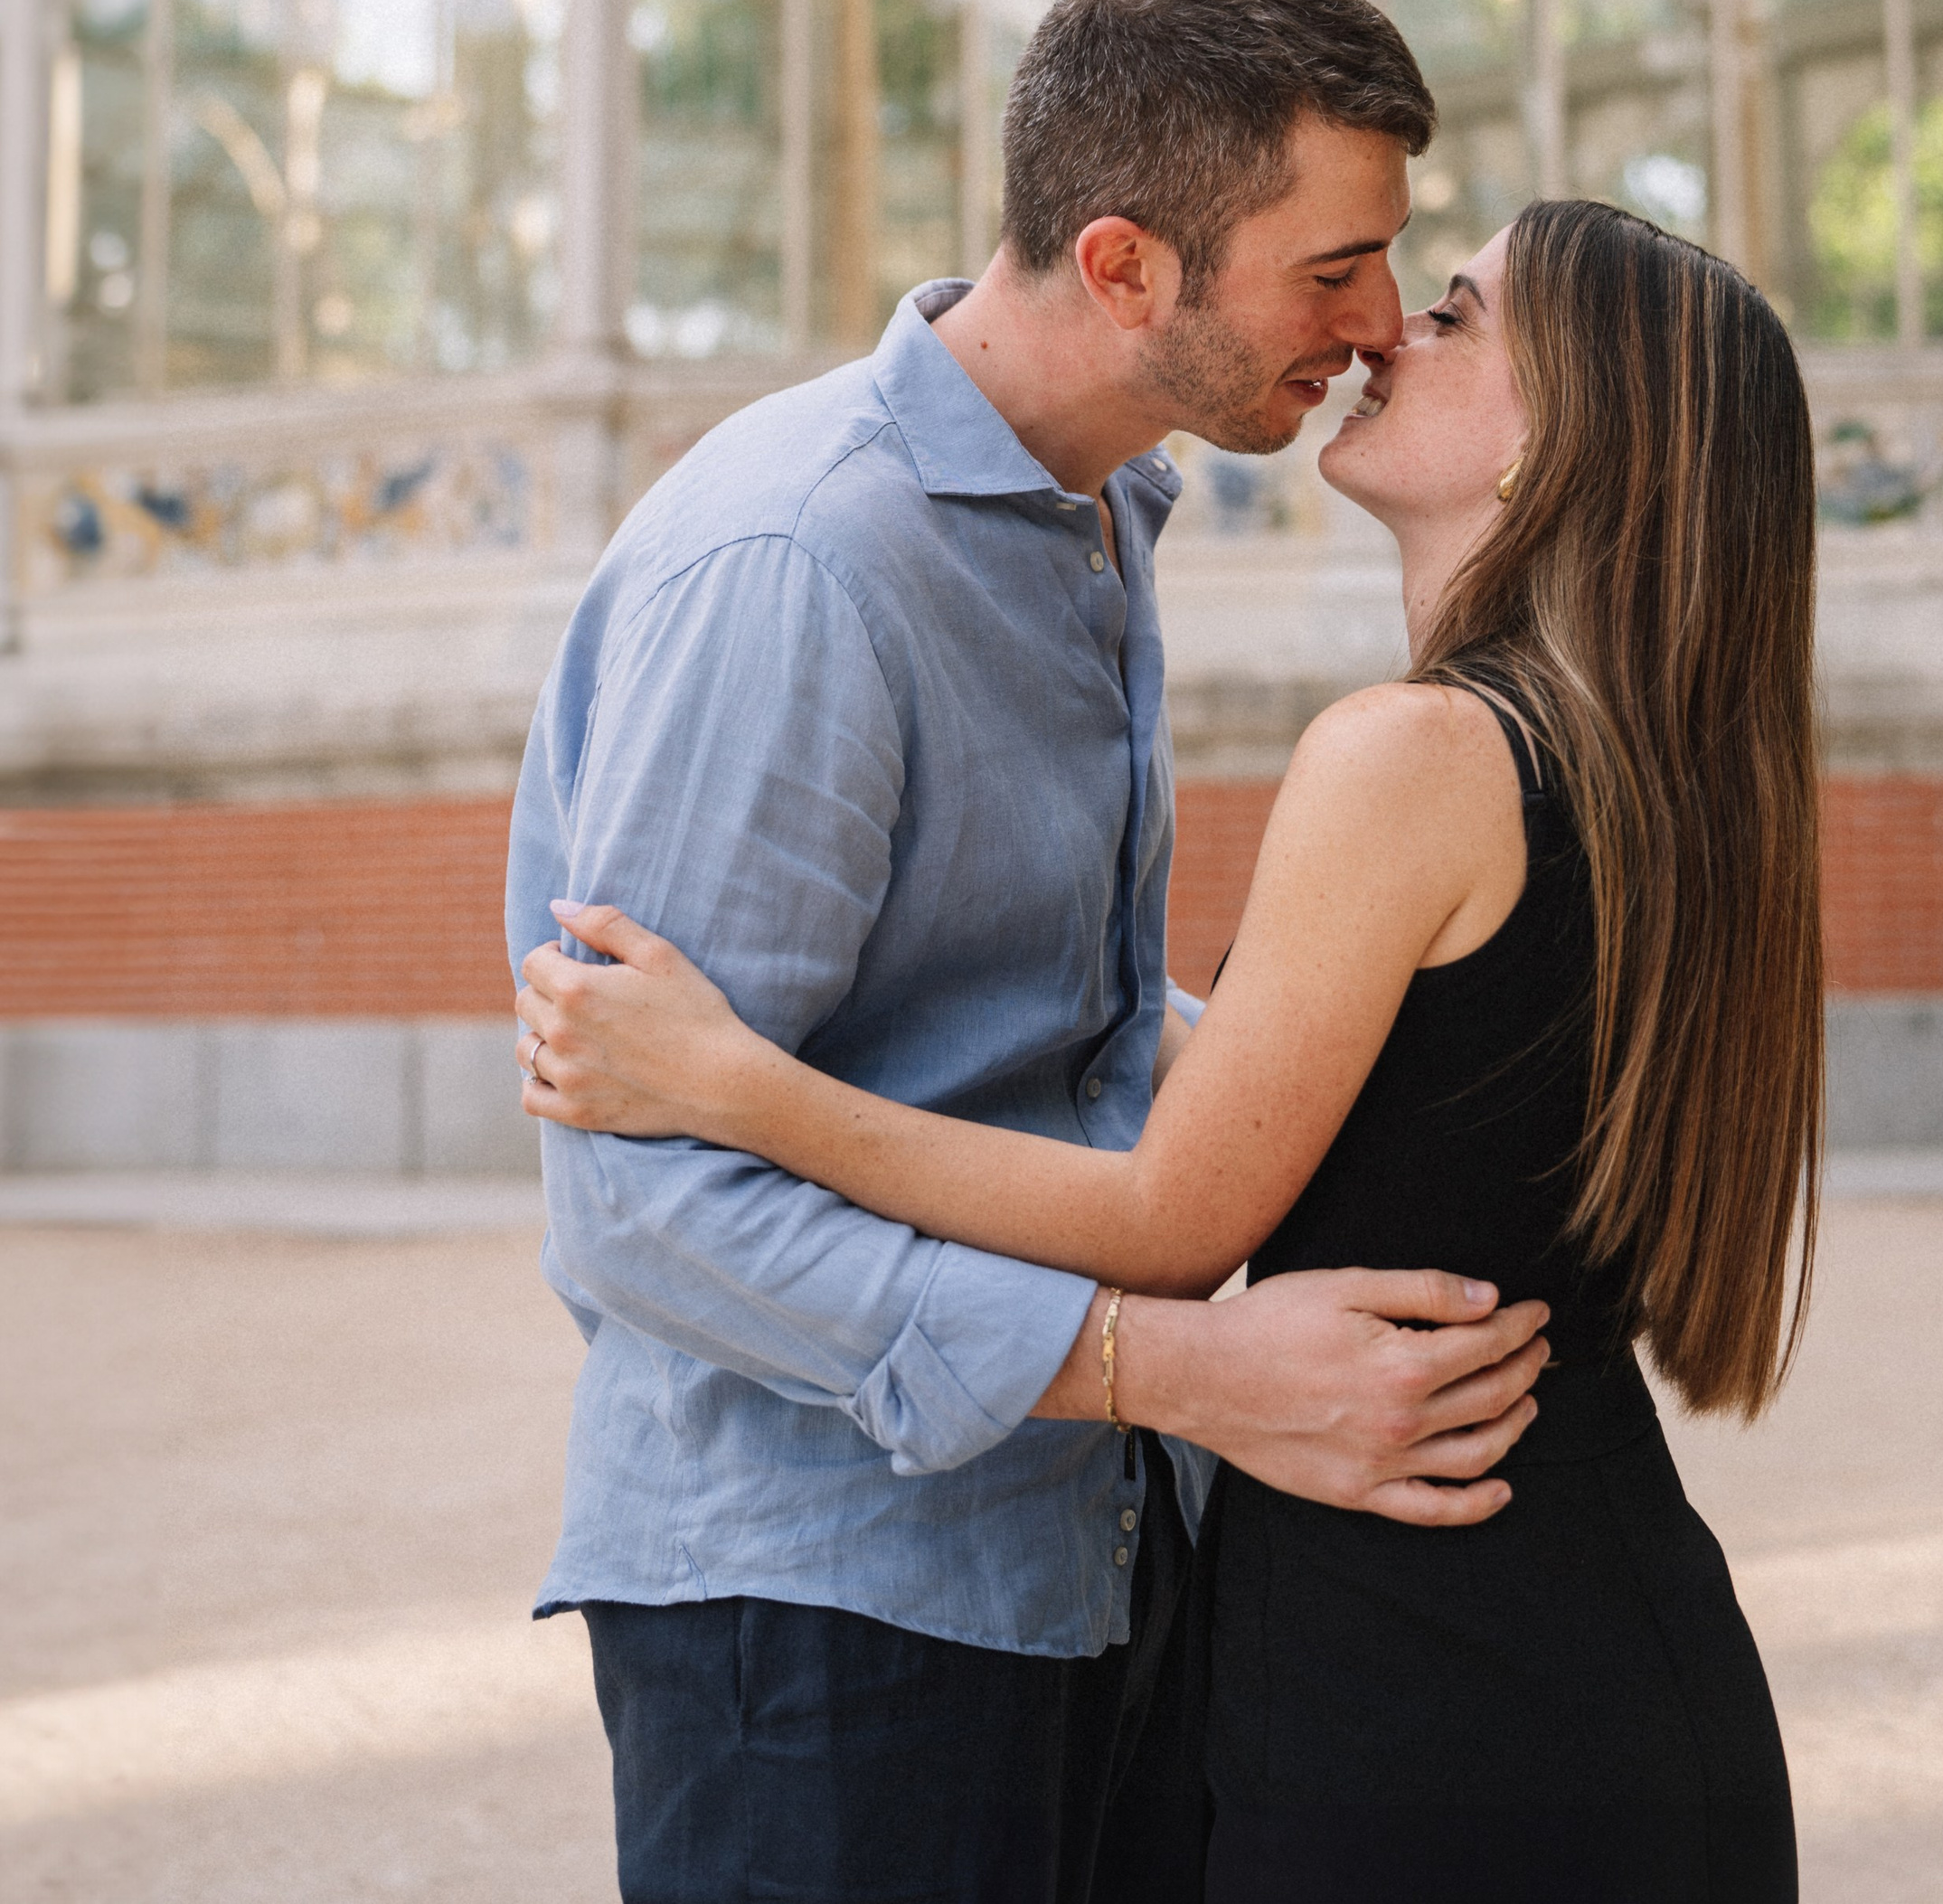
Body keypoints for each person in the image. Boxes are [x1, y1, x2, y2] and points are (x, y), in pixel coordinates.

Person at [519, 195, 1825, 1903]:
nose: (1382, 329)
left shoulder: (1412, 756)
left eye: (1451, 313)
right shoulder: (1666, 781)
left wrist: (739, 1086)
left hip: (1420, 1674)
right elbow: (1399, 1083)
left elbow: (1169, 1219)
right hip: (1603, 1637)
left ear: (1563, 440)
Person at [504, 0, 1555, 1904]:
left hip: (1088, 1552)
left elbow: (1047, 1038)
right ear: (1124, 265)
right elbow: (640, 1208)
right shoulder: (801, 566)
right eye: (1330, 268)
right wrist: (1176, 1369)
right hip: (824, 1607)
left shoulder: (1095, 510)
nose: (1374, 325)